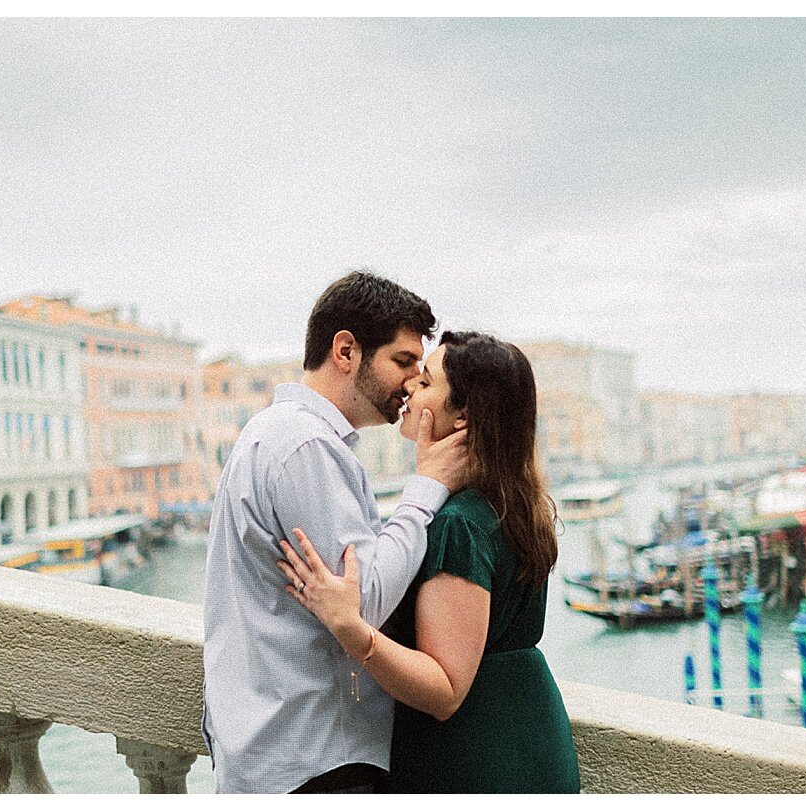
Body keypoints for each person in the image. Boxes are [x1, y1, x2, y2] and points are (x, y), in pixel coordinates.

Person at [278, 330, 581, 793]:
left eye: (427, 382)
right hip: (524, 732)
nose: (411, 387)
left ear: (463, 416)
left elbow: (444, 689)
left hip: (474, 757)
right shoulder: (511, 504)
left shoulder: (458, 526)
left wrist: (351, 629)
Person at [202, 271, 469, 794]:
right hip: (313, 759)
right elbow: (364, 599)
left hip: (282, 751)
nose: (414, 382)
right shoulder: (307, 447)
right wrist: (427, 489)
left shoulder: (276, 433)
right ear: (346, 351)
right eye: (402, 361)